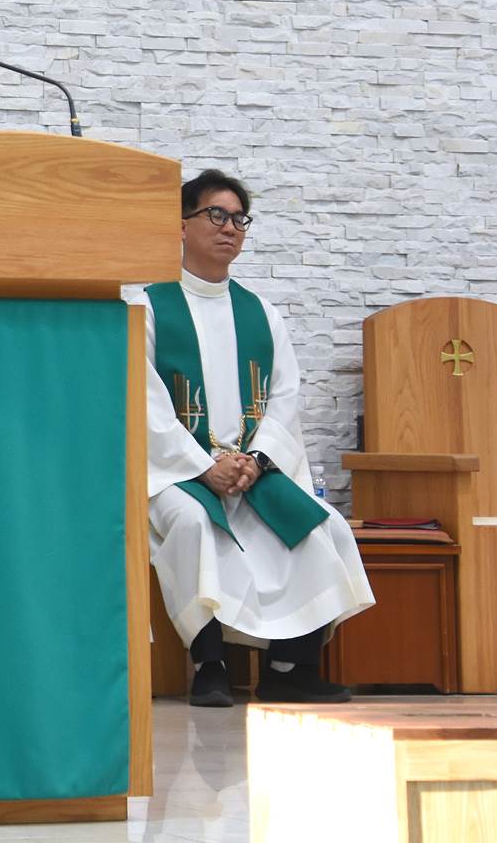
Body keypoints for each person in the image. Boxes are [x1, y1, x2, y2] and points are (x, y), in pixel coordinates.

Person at [125, 169, 374, 706]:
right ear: (181, 225)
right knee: (193, 523)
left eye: (240, 219)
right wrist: (203, 467)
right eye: (216, 215)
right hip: (176, 471)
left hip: (250, 469)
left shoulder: (261, 313)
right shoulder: (147, 307)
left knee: (323, 526)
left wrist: (256, 461)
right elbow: (143, 403)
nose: (229, 228)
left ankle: (290, 668)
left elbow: (285, 397)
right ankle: (209, 665)